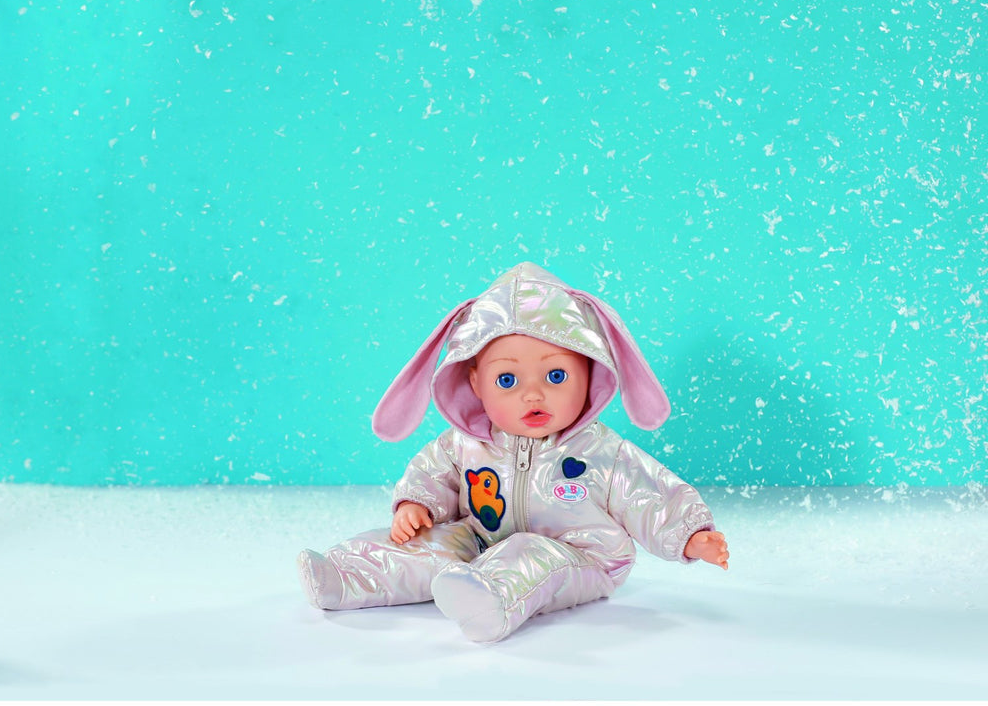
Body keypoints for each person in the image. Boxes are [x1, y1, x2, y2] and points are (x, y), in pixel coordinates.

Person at [298, 262, 729, 643]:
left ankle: (490, 601)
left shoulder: (602, 451)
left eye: (556, 375)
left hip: (581, 555)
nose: (533, 395)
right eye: (507, 380)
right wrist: (416, 504)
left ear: (589, 373)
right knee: (429, 547)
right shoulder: (465, 443)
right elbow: (432, 472)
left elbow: (648, 493)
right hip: (481, 540)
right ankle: (347, 575)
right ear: (475, 383)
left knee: (530, 553)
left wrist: (689, 535)